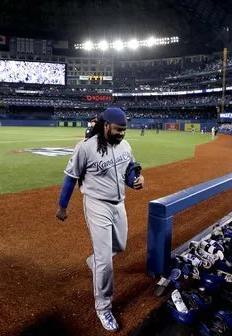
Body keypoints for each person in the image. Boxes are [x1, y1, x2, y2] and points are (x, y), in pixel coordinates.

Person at [56, 107, 144, 332]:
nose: (122, 134)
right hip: (96, 205)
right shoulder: (86, 148)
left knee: (121, 246)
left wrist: (136, 180)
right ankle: (103, 307)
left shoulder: (125, 146)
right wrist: (62, 207)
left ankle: (94, 261)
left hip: (119, 204)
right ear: (105, 126)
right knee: (106, 262)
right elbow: (70, 179)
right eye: (118, 129)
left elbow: (130, 170)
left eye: (124, 130)